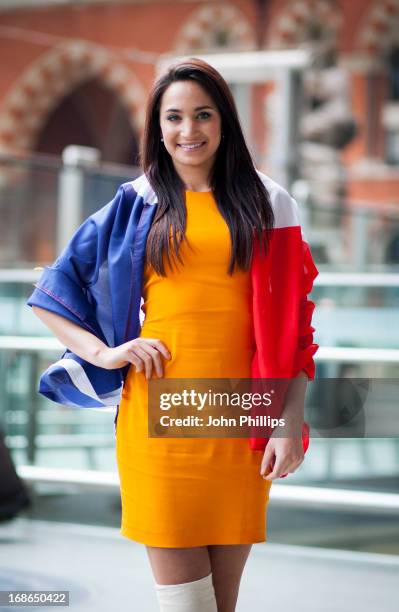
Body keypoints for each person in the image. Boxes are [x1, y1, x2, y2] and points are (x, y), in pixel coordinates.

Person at [27, 58, 318, 612]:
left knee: (222, 602)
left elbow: (295, 329)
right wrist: (106, 353)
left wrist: (284, 421)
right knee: (185, 603)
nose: (190, 131)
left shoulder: (269, 202)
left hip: (242, 416)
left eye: (203, 115)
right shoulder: (136, 202)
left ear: (224, 121)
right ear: (158, 127)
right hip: (160, 413)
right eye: (175, 117)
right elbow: (52, 290)